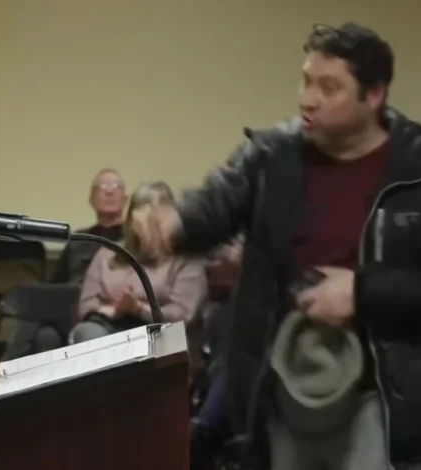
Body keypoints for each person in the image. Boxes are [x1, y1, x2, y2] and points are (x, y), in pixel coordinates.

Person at [155, 22, 421, 470]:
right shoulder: (272, 154)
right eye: (306, 81)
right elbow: (217, 203)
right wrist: (175, 223)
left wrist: (361, 294)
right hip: (282, 391)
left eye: (328, 87)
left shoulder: (414, 166)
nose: (307, 99)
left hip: (381, 401)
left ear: (374, 95)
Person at [70, 181, 208, 370]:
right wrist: (110, 310)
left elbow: (184, 315)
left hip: (162, 335)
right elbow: (87, 304)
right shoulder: (108, 254)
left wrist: (138, 309)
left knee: (165, 345)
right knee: (87, 332)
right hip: (111, 331)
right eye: (140, 224)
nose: (146, 234)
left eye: (153, 224)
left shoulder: (186, 258)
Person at [1, 168, 127, 360]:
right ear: (91, 199)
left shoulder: (132, 238)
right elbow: (55, 284)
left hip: (102, 305)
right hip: (68, 305)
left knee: (37, 319)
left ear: (125, 198)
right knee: (45, 334)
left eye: (115, 186)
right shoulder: (79, 238)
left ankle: (1, 370)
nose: (109, 191)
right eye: (102, 186)